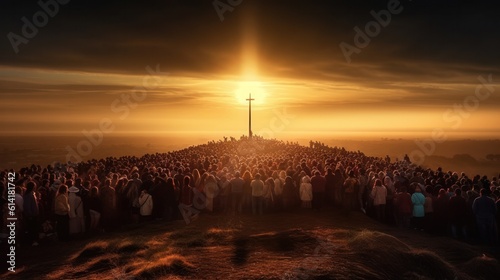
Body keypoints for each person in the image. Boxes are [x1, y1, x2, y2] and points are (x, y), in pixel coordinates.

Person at [23, 181, 40, 246]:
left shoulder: (32, 194)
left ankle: (33, 240)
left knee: (34, 228)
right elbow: (27, 206)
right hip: (31, 215)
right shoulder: (28, 195)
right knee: (32, 228)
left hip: (34, 214)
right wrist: (30, 214)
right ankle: (32, 240)